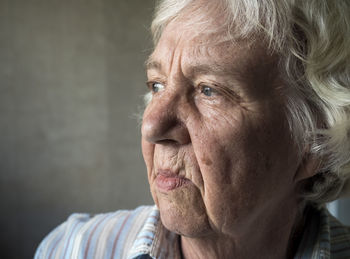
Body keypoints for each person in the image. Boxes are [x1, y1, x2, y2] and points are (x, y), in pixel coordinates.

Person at [35, 0, 350, 258]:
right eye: (157, 85)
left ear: (315, 141)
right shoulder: (73, 249)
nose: (152, 126)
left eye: (209, 90)